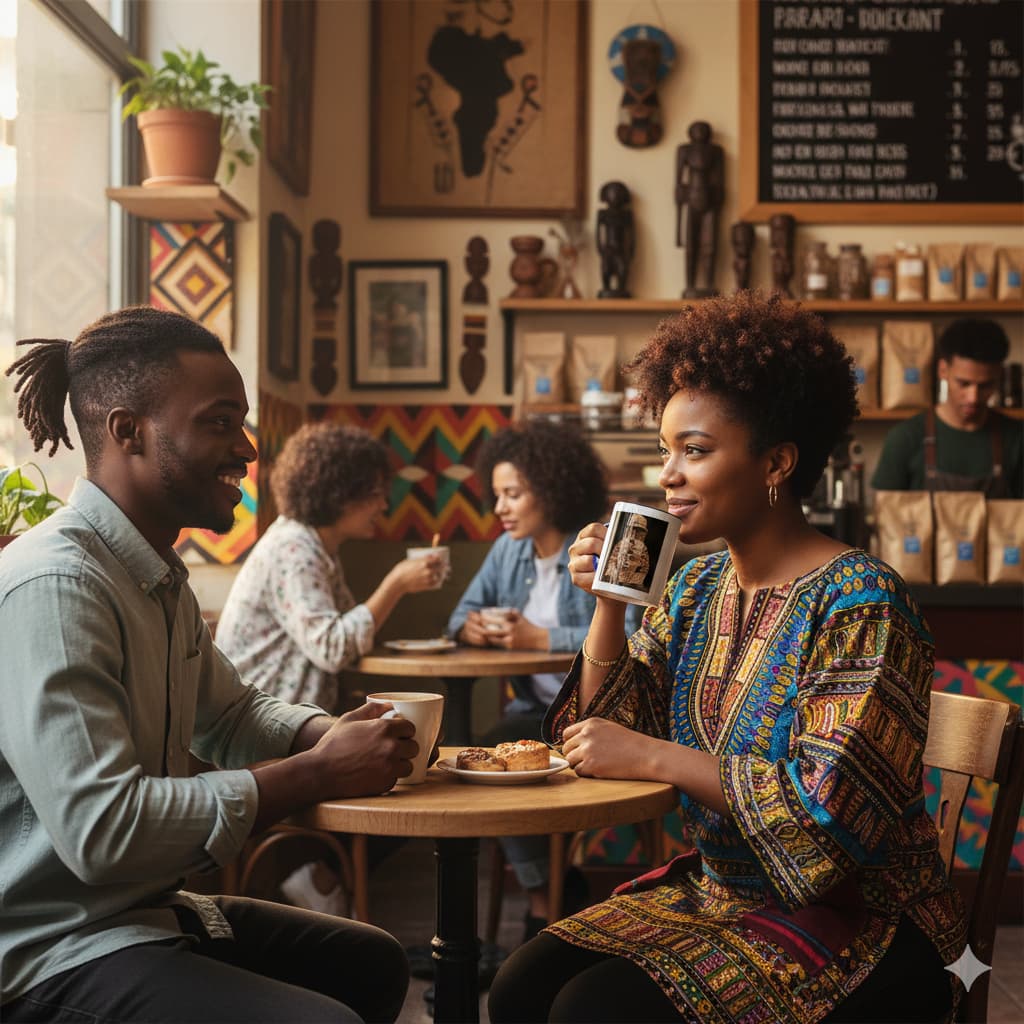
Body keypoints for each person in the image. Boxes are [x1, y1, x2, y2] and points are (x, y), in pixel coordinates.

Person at [488, 291, 966, 1024]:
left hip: (863, 922)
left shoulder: (861, 601)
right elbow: (599, 738)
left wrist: (654, 756)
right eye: (665, 450)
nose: (667, 475)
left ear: (776, 462)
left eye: (695, 450)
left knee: (592, 1011)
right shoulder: (694, 588)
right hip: (719, 897)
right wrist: (610, 602)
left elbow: (823, 820)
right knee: (519, 986)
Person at [0, 306, 415, 1024]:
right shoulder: (58, 586)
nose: (248, 448)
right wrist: (316, 773)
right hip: (49, 951)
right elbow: (104, 832)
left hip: (140, 915)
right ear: (127, 431)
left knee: (372, 961)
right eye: (220, 423)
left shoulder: (154, 574)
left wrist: (329, 734)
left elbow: (231, 714)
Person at [215, 420, 445, 914]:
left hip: (298, 716)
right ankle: (316, 876)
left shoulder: (315, 547)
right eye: (376, 493)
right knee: (410, 771)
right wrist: (396, 585)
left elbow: (345, 633)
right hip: (263, 725)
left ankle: (319, 875)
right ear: (341, 493)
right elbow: (335, 647)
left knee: (417, 760)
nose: (384, 505)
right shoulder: (294, 549)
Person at [446, 419, 641, 940]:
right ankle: (549, 895)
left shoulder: (599, 544)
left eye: (513, 494)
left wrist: (539, 638)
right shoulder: (507, 550)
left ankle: (544, 904)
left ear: (552, 490)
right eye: (496, 495)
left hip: (600, 714)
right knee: (484, 760)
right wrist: (472, 626)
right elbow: (459, 615)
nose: (500, 508)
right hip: (534, 713)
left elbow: (635, 632)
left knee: (492, 756)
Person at [872, 317, 1023, 497]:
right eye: (963, 384)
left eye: (985, 386)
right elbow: (884, 510)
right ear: (943, 370)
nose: (973, 397)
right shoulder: (904, 438)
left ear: (999, 375)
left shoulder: (1017, 438)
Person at [675, 120, 724, 298]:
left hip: (710, 199)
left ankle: (710, 283)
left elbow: (720, 179)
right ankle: (690, 284)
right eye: (697, 129)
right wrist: (680, 195)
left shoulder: (716, 151)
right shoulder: (684, 150)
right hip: (692, 197)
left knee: (710, 246)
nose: (700, 132)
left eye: (703, 129)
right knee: (691, 246)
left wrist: (718, 198)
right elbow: (678, 178)